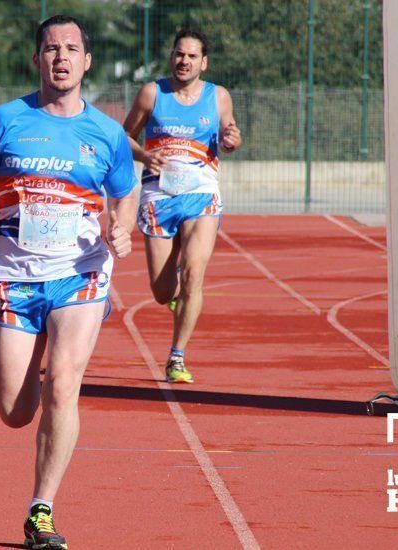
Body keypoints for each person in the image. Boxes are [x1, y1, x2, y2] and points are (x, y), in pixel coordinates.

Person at [0, 14, 137, 549]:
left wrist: (122, 227)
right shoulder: (6, 120)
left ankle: (41, 510)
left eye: (71, 48)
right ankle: (32, 371)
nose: (61, 57)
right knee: (14, 411)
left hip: (80, 273)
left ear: (86, 60)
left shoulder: (106, 133)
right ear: (38, 60)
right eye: (51, 48)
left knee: (64, 387)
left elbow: (126, 191)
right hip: (15, 275)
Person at [122, 29, 242, 383]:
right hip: (159, 197)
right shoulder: (151, 93)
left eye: (191, 56)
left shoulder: (218, 96)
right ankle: (174, 294)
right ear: (172, 57)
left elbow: (230, 134)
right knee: (161, 293)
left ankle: (177, 357)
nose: (184, 61)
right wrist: (144, 154)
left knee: (194, 274)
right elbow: (123, 137)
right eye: (179, 54)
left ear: (203, 63)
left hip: (201, 194)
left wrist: (232, 140)